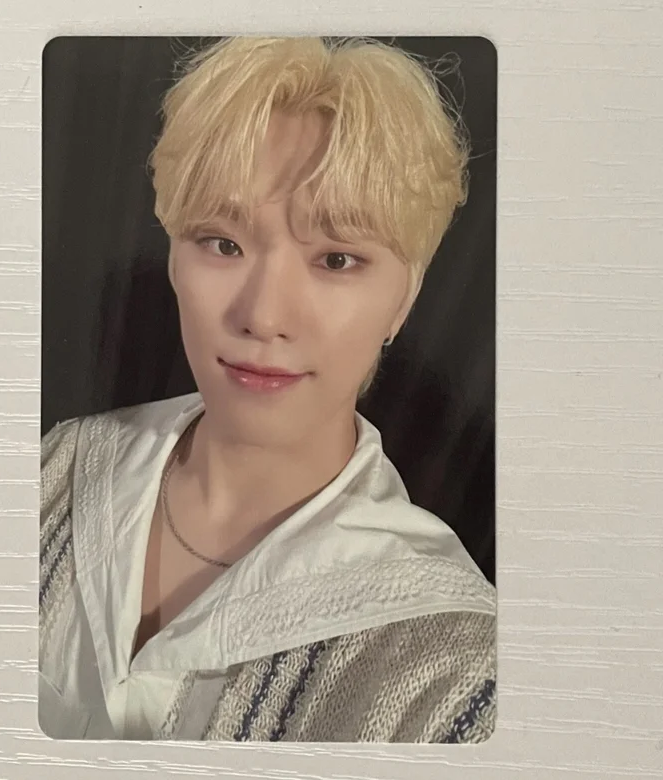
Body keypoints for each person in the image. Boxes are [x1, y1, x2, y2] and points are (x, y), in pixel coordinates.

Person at [39, 36, 496, 743]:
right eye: (222, 243)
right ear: (173, 259)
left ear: (403, 300)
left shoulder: (455, 667)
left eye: (336, 259)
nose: (264, 315)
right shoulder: (56, 468)